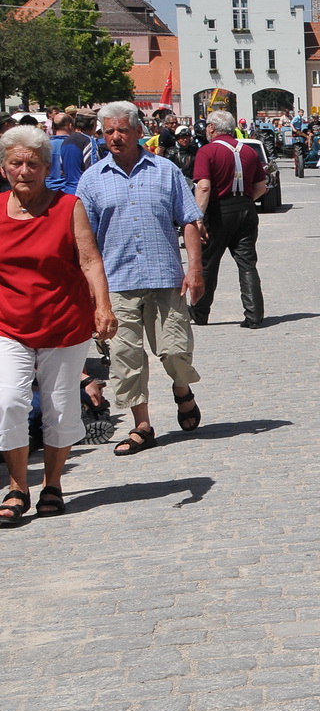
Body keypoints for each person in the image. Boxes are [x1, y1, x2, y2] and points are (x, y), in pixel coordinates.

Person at [0, 126, 117, 525]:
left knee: (60, 406)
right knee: (8, 403)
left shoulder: (68, 206)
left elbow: (89, 260)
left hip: (63, 323)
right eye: (16, 163)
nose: (24, 170)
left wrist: (102, 306)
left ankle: (52, 483)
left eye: (33, 163)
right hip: (8, 324)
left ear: (47, 167)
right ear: (4, 168)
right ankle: (18, 487)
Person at [75, 101, 205, 455]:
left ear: (137, 132)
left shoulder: (165, 171)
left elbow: (190, 221)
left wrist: (194, 269)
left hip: (165, 277)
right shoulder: (91, 180)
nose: (115, 137)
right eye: (108, 132)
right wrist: (90, 291)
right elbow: (84, 241)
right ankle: (142, 425)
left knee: (175, 350)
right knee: (125, 357)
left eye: (122, 130)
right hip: (116, 282)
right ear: (102, 136)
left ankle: (182, 389)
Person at [191, 110, 269, 330]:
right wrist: (244, 202)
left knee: (209, 263)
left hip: (219, 211)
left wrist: (197, 218)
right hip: (246, 209)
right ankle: (254, 315)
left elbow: (204, 186)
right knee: (247, 263)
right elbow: (261, 187)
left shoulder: (207, 151)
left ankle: (199, 311)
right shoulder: (249, 151)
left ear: (212, 128)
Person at [45, 111, 85, 195]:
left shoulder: (45, 145)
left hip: (47, 192)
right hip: (67, 192)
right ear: (70, 126)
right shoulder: (74, 145)